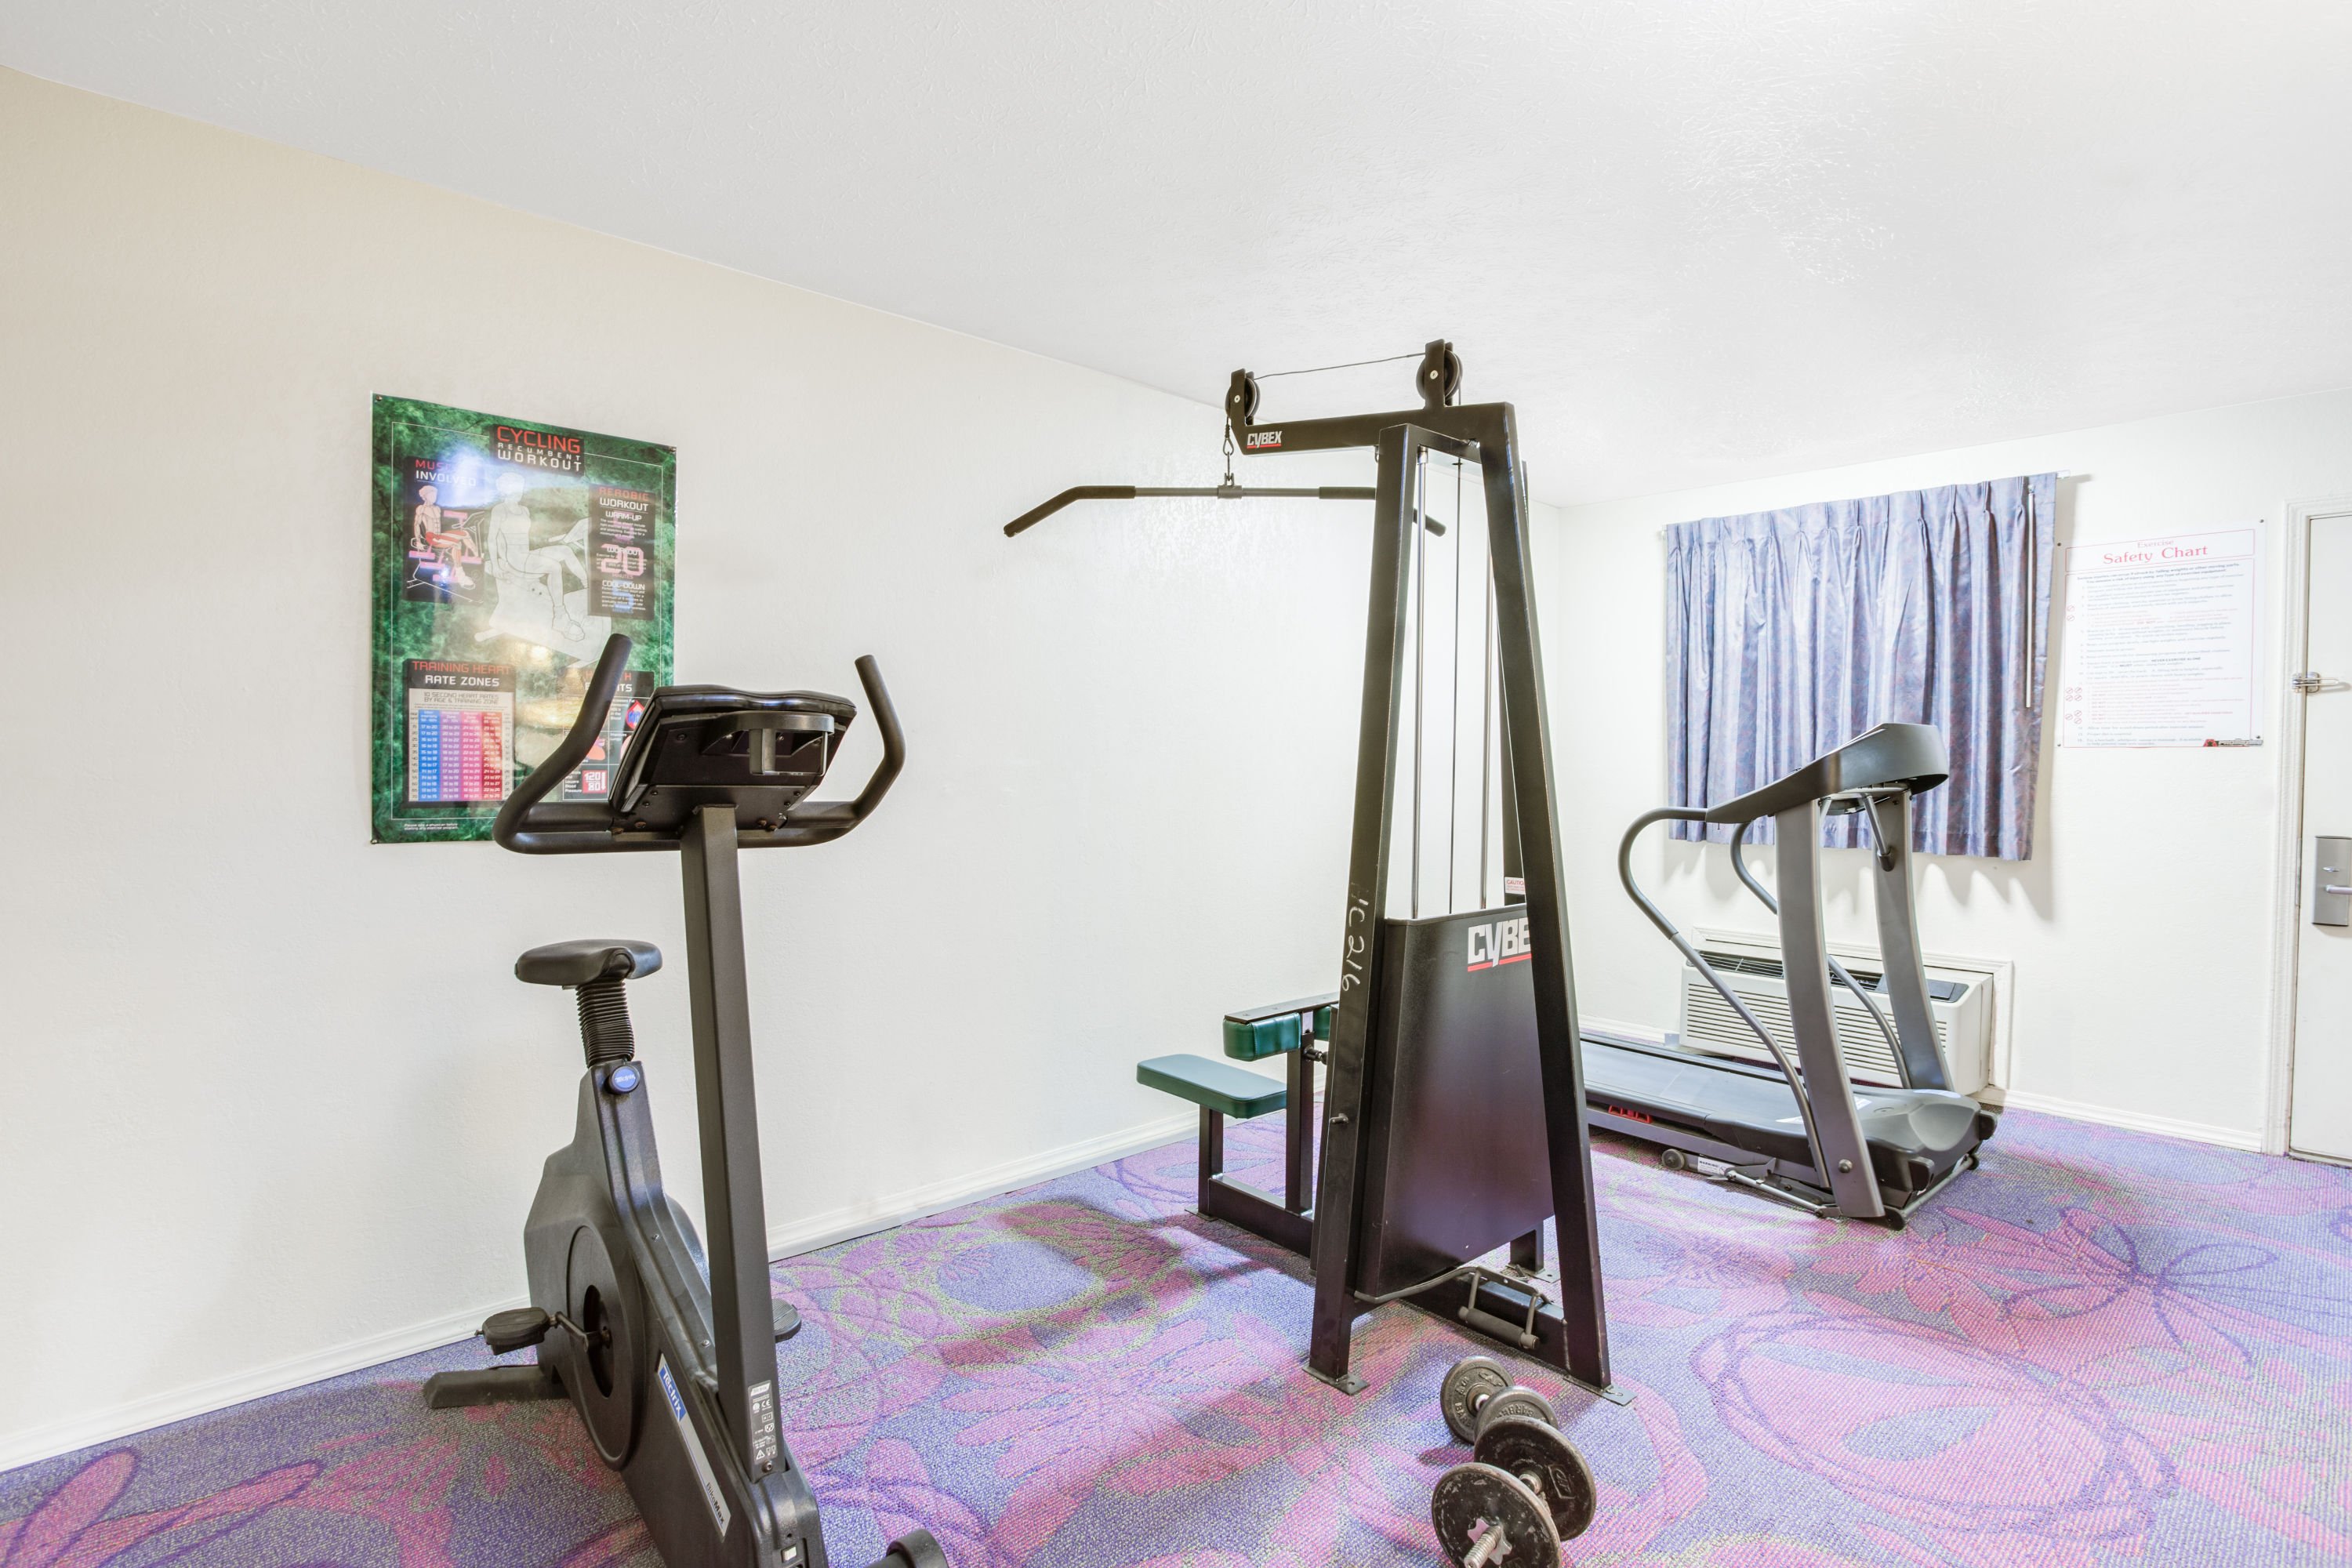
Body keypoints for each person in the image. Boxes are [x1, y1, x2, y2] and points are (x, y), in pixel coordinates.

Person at [481, 472, 588, 641]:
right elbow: (493, 538)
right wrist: (496, 565)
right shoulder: (500, 509)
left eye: (521, 487)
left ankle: (587, 584)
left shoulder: (524, 510)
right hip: (515, 559)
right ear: (506, 489)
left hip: (526, 554)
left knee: (565, 551)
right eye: (516, 487)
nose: (520, 491)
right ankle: (560, 617)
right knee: (554, 567)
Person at [409, 482, 475, 588]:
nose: (435, 497)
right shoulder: (421, 508)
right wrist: (418, 541)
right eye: (432, 495)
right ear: (425, 496)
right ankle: (461, 577)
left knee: (465, 533)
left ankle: (476, 555)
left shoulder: (437, 508)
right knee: (457, 545)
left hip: (439, 536)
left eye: (436, 495)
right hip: (431, 537)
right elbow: (416, 524)